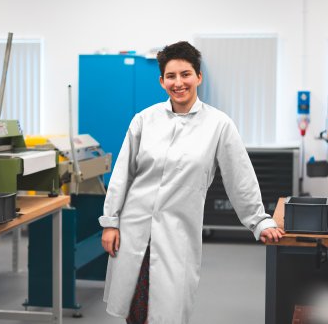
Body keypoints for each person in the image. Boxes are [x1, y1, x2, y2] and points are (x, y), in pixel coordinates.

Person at [99, 41, 285, 324]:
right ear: (162, 81)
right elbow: (123, 175)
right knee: (135, 312)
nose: (179, 82)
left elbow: (240, 178)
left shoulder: (218, 125)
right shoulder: (144, 120)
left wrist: (259, 221)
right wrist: (111, 222)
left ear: (199, 77)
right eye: (171, 76)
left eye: (185, 74)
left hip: (177, 234)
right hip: (133, 229)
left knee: (167, 313)